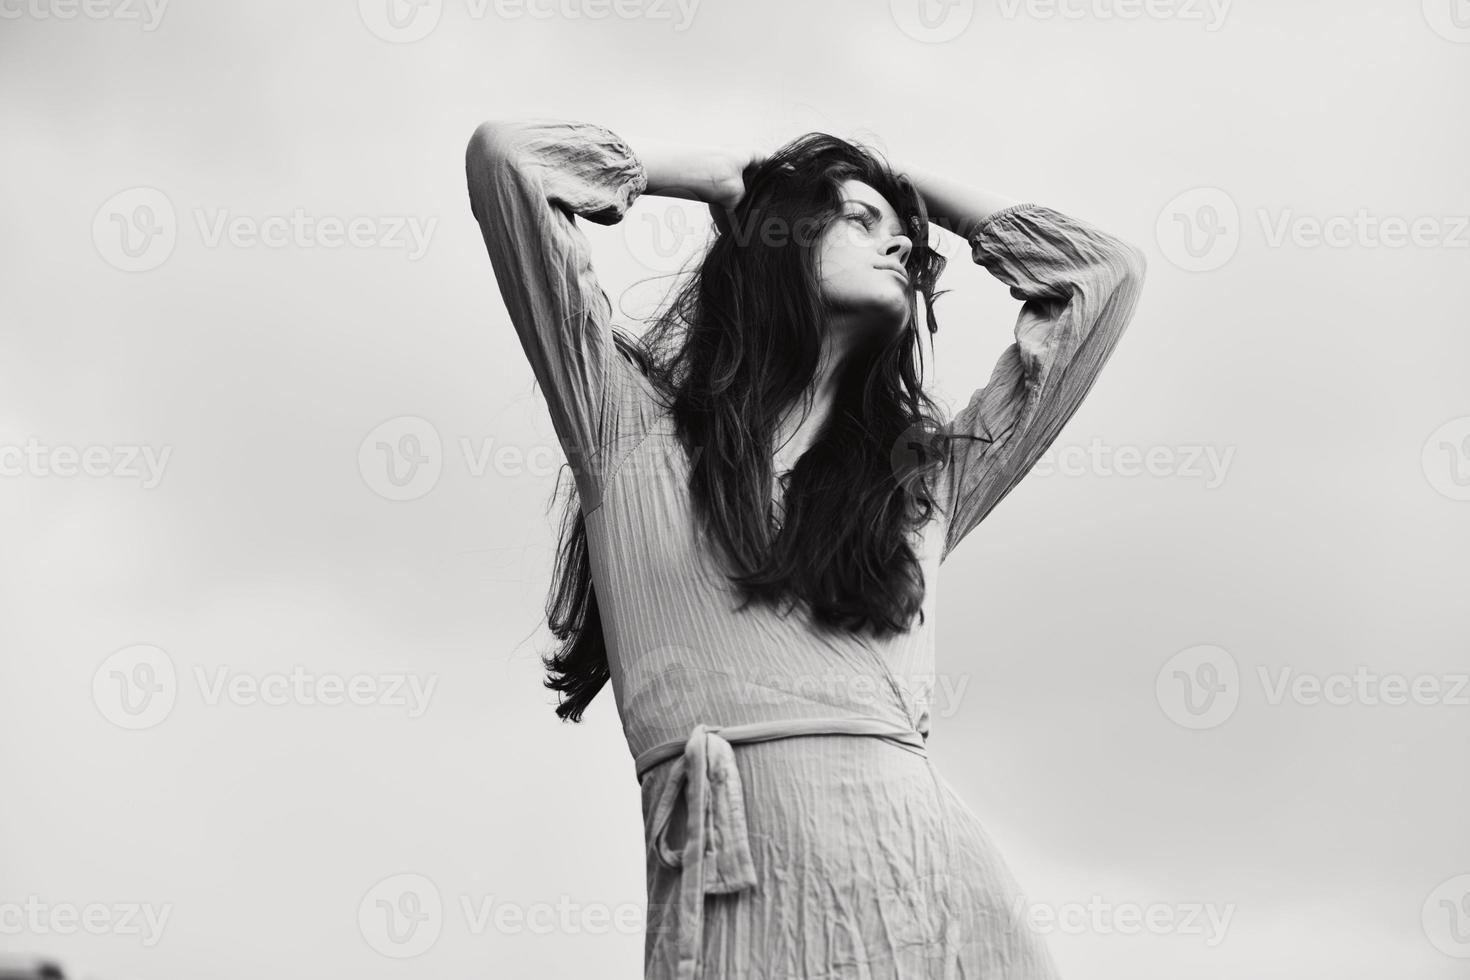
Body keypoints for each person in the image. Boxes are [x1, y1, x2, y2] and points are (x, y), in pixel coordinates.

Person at [465, 117, 1146, 980]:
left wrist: (902, 192)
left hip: (943, 909)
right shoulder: (623, 431)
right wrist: (723, 180)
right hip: (736, 907)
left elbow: (1100, 274)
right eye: (858, 221)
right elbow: (511, 162)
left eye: (906, 241)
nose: (899, 246)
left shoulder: (921, 486)